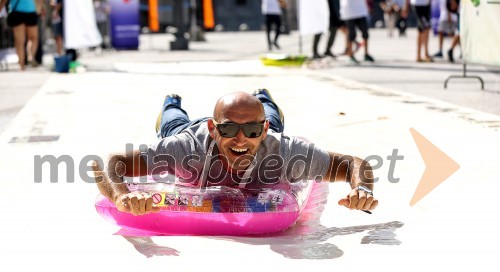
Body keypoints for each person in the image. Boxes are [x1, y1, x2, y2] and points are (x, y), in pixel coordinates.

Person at [93, 89, 378, 216]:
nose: (241, 139)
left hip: (268, 127)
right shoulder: (187, 148)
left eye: (253, 130)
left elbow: (352, 162)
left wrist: (362, 188)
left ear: (262, 131)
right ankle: (172, 101)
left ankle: (264, 98)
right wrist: (121, 196)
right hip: (188, 129)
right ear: (214, 129)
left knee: (273, 120)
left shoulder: (283, 150)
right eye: (229, 130)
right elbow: (110, 162)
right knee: (171, 123)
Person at [0, 0, 44, 70]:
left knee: (19, 41)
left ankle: (21, 65)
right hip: (30, 10)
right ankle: (31, 56)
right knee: (33, 38)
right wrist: (40, 7)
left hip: (17, 11)